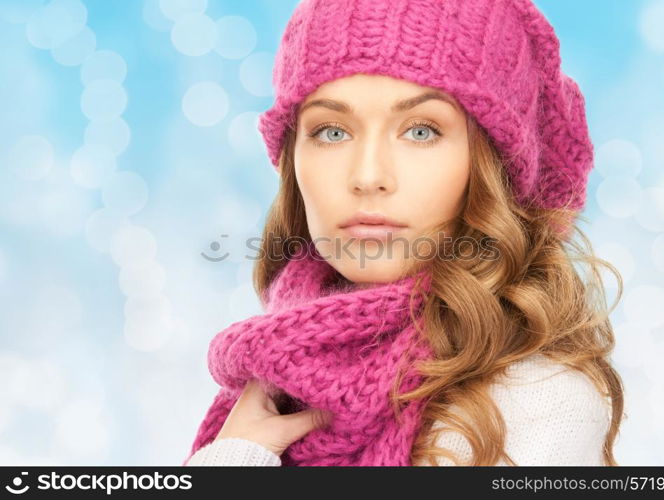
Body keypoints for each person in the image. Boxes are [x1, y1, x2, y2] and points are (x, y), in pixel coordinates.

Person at [185, 0, 625, 466]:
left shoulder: (540, 401)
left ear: (490, 165)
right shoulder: (277, 377)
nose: (368, 175)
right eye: (332, 132)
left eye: (421, 131)